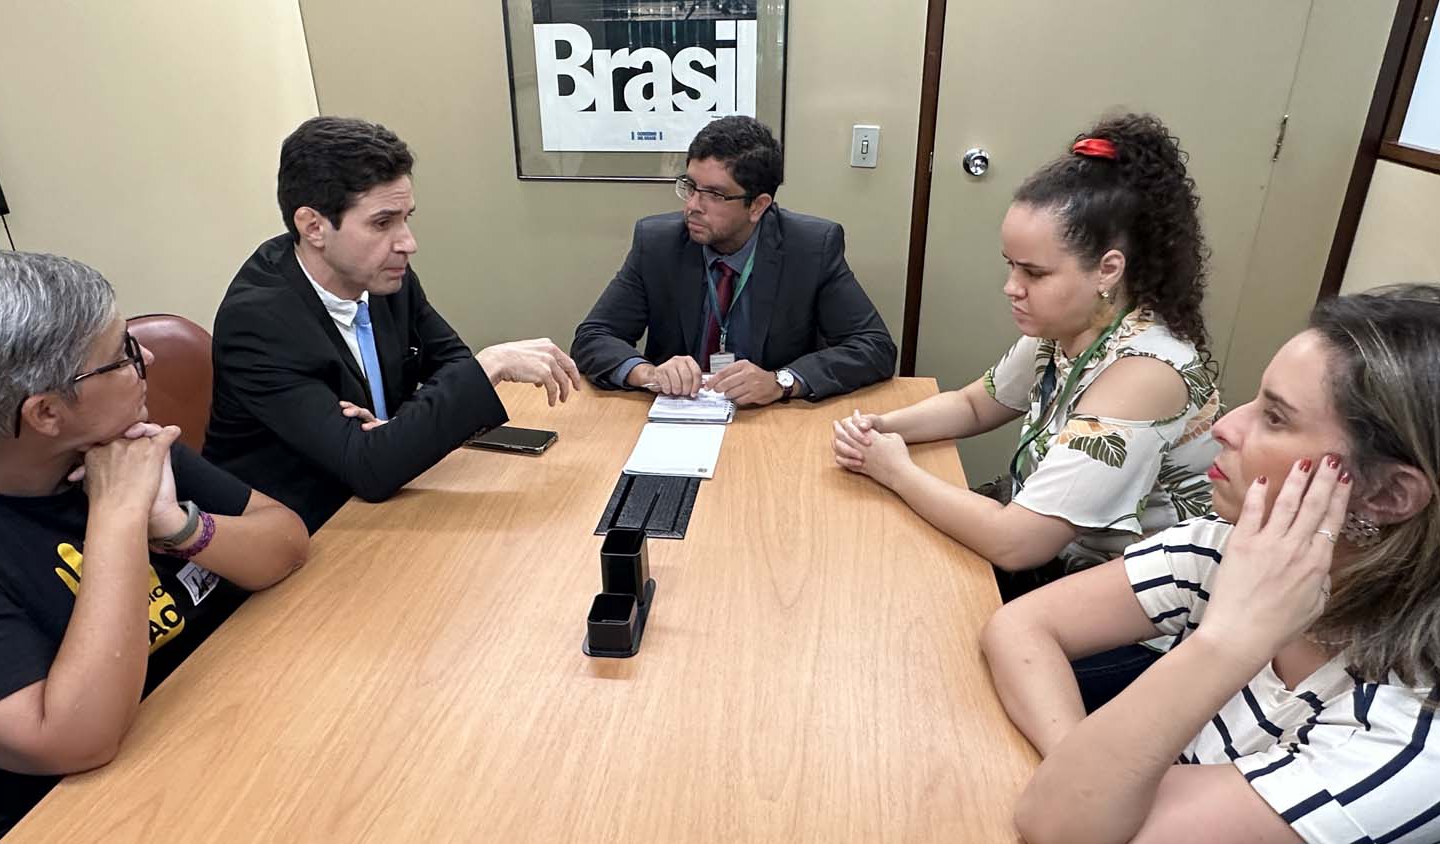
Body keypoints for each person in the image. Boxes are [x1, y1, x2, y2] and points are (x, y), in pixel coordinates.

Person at [983, 284, 1440, 843]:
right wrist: (1079, 766)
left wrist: (1226, 642)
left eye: (1275, 417)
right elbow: (1020, 626)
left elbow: (1059, 824)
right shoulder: (1237, 542)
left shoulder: (1408, 741)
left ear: (1390, 494)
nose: (1226, 425)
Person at [831, 114, 1220, 706]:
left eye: (1034, 272)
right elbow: (975, 404)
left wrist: (895, 469)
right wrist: (881, 428)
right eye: (1010, 265)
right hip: (1065, 574)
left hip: (1141, 628)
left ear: (1108, 269)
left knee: (933, 676)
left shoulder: (1145, 373)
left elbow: (1019, 542)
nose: (1012, 286)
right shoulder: (1069, 327)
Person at [0, 251, 309, 844]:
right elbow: (75, 739)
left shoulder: (118, 444)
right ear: (47, 412)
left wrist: (174, 526)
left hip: (218, 729)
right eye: (123, 355)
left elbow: (285, 539)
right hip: (81, 816)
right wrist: (117, 515)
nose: (149, 359)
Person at [203, 116, 581, 532]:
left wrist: (396, 433)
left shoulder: (381, 276)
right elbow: (370, 469)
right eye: (382, 223)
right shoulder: (258, 322)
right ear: (313, 227)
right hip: (301, 532)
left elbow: (451, 364)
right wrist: (490, 364)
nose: (407, 243)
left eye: (406, 218)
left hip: (384, 507)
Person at [571, 115, 896, 405]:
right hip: (679, 412)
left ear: (758, 206)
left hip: (769, 419)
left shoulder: (811, 248)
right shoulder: (657, 243)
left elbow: (874, 346)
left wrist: (781, 382)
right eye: (690, 186)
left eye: (714, 195)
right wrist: (648, 373)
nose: (693, 206)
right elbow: (593, 336)